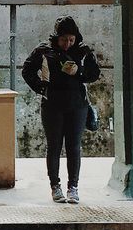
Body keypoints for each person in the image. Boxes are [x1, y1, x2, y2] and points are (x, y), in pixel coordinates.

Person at [21, 15, 100, 204]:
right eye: (64, 39)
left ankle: (73, 187)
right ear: (56, 37)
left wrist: (78, 73)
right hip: (52, 105)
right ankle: (55, 186)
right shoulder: (44, 51)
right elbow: (27, 70)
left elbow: (94, 74)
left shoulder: (83, 52)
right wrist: (42, 87)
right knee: (54, 147)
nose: (67, 44)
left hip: (77, 106)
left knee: (74, 147)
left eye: (71, 40)